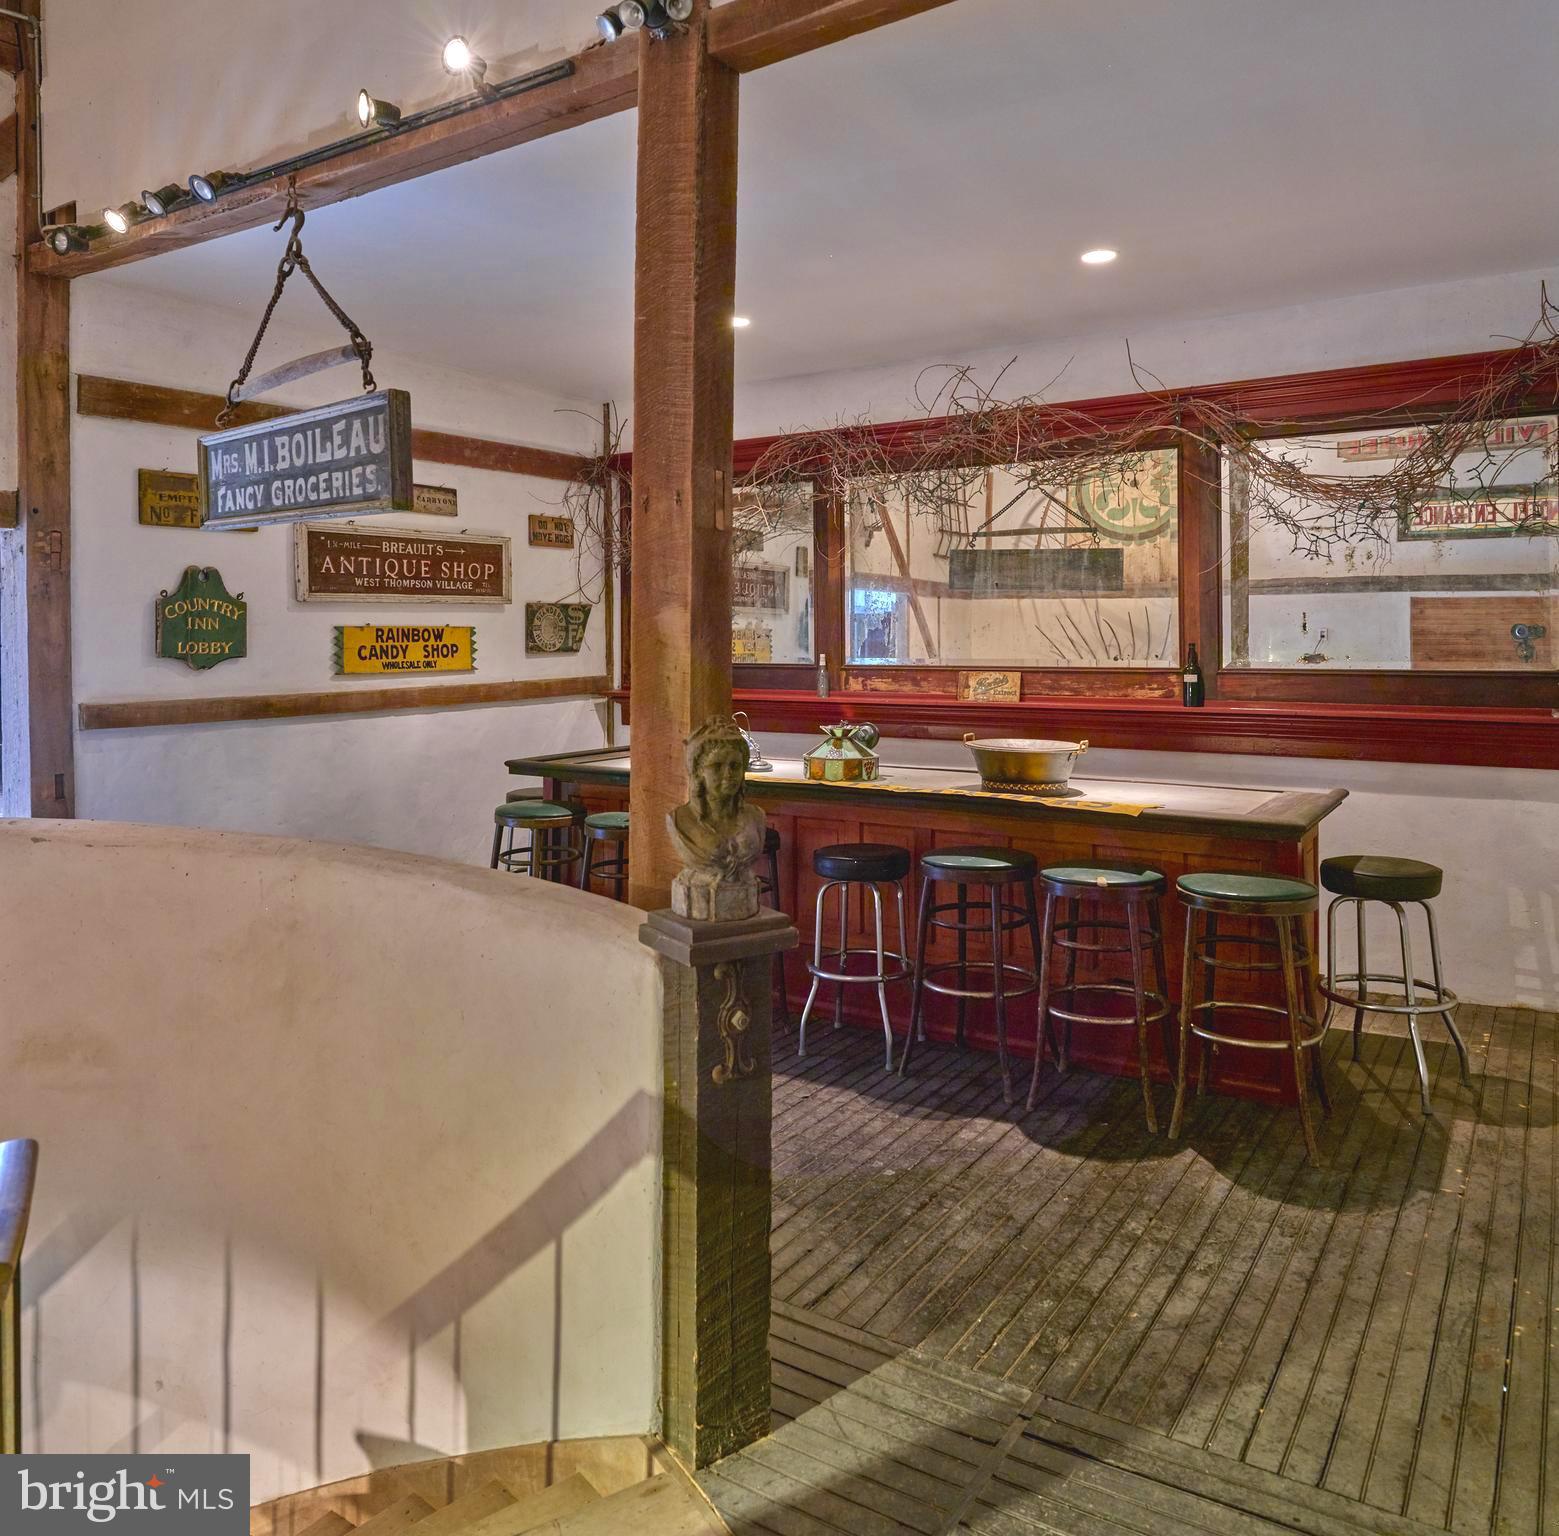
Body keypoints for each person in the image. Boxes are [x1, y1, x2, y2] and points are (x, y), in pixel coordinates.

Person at [667, 716, 767, 920]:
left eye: (735, 766)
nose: (728, 774)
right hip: (697, 899)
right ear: (698, 772)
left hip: (745, 901)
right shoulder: (681, 820)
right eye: (716, 766)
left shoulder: (755, 817)